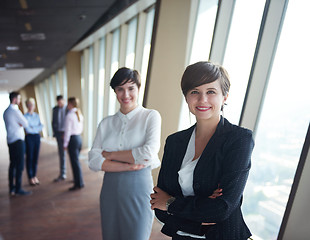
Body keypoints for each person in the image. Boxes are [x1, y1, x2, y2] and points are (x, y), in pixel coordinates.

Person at [150, 61, 254, 240]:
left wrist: (170, 202)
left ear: (225, 96)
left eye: (211, 92)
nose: (202, 99)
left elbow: (222, 209)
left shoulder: (239, 139)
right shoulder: (175, 142)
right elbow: (158, 207)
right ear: (186, 97)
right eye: (194, 92)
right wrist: (199, 215)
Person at [88, 67, 162, 240]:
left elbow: (148, 154)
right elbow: (93, 160)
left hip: (139, 189)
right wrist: (129, 166)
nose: (125, 94)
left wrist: (110, 155)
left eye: (130, 88)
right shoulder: (106, 123)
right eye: (120, 89)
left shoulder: (150, 116)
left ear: (138, 88)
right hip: (110, 190)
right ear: (115, 91)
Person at [3, 91, 32, 196]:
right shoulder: (16, 111)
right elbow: (25, 123)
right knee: (19, 165)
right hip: (18, 141)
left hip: (10, 140)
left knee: (12, 165)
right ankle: (18, 188)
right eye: (19, 99)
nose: (19, 101)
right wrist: (20, 124)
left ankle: (12, 188)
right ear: (14, 99)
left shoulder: (6, 112)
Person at [64, 97, 84, 191]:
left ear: (71, 104)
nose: (67, 106)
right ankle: (79, 181)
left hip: (72, 140)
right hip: (79, 138)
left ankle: (78, 183)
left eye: (68, 104)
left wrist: (65, 144)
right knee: (76, 162)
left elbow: (67, 131)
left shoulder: (69, 115)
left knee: (74, 162)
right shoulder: (79, 113)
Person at [24, 98, 43, 186]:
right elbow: (27, 129)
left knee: (35, 157)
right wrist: (35, 128)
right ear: (27, 106)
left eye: (32, 105)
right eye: (29, 105)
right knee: (30, 157)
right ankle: (30, 177)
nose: (31, 106)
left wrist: (33, 128)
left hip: (37, 137)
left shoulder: (37, 116)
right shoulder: (25, 117)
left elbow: (41, 126)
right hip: (29, 138)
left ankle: (34, 176)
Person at [52, 95, 67, 182]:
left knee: (73, 157)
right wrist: (55, 133)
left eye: (61, 102)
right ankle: (62, 174)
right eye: (58, 102)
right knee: (62, 155)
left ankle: (76, 176)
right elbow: (53, 122)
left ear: (64, 101)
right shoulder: (55, 109)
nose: (59, 104)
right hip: (59, 134)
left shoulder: (68, 109)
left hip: (67, 135)